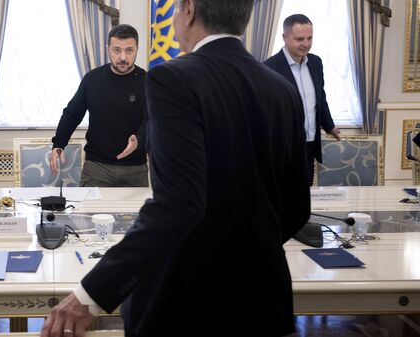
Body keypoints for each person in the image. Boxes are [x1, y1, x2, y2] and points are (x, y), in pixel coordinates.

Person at [41, 1, 310, 336]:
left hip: (191, 300)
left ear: (188, 11)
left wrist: (90, 295)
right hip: (263, 298)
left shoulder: (172, 79)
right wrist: (245, 243)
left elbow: (179, 205)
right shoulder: (283, 89)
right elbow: (298, 207)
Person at [50, 24, 148, 187]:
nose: (123, 57)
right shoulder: (92, 79)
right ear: (108, 49)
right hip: (97, 167)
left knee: (136, 214)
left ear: (137, 49)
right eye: (117, 50)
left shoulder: (147, 81)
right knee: (89, 213)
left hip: (135, 168)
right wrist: (59, 143)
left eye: (129, 50)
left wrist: (139, 140)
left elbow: (151, 120)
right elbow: (72, 114)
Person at [264, 14, 340, 186]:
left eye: (309, 38)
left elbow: (320, 97)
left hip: (309, 146)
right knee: (282, 198)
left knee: (304, 197)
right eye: (300, 39)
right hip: (283, 148)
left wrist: (329, 125)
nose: (306, 44)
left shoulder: (315, 62)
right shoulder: (269, 68)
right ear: (285, 37)